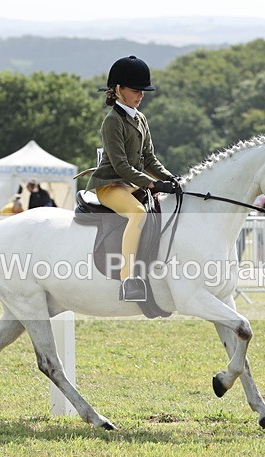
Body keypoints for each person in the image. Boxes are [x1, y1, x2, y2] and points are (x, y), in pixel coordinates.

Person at [86, 55, 180, 301]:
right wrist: (150, 183)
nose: (141, 95)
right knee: (138, 213)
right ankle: (129, 280)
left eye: (143, 91)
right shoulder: (112, 121)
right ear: (118, 89)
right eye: (135, 90)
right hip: (110, 184)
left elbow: (149, 158)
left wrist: (172, 178)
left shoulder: (140, 118)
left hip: (130, 184)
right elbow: (121, 165)